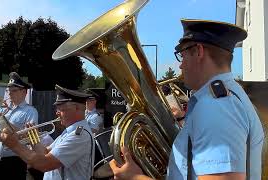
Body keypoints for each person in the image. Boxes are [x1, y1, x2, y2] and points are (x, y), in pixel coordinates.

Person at [109, 19, 264, 180]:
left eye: (182, 56)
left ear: (198, 51)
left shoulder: (215, 108)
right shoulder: (227, 97)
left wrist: (135, 177)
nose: (181, 66)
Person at [0, 85, 94, 180]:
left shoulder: (79, 135)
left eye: (61, 108)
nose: (57, 112)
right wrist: (33, 137)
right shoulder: (69, 132)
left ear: (76, 108)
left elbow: (44, 164)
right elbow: (45, 152)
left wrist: (14, 145)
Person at [0, 72, 38, 180]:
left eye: (14, 91)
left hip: (15, 161)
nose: (10, 94)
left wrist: (1, 119)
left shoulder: (30, 111)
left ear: (24, 92)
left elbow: (29, 137)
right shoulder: (4, 110)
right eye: (9, 91)